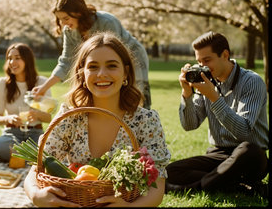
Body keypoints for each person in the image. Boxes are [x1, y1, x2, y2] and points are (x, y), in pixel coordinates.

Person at [24, 32, 171, 207]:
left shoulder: (146, 121)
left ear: (126, 73)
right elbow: (36, 168)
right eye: (93, 67)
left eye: (111, 66)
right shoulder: (70, 118)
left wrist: (130, 207)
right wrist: (35, 195)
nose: (102, 74)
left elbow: (157, 187)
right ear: (82, 74)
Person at [165, 31, 269, 195]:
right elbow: (190, 125)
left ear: (225, 55)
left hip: (249, 156)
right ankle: (237, 186)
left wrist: (214, 97)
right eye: (199, 61)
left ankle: (198, 187)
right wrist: (187, 94)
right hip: (219, 154)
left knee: (249, 149)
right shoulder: (205, 80)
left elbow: (243, 131)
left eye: (207, 60)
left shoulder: (252, 81)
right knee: (171, 171)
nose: (203, 66)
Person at [32, 0, 151, 109]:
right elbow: (66, 61)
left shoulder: (106, 22)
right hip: (103, 63)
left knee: (134, 95)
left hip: (132, 57)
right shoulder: (69, 31)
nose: (63, 23)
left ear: (78, 13)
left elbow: (116, 53)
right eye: (60, 20)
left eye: (66, 18)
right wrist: (44, 88)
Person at [0, 43, 52, 162]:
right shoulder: (2, 84)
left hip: (35, 132)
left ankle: (20, 157)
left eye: (17, 58)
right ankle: (32, 157)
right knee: (0, 145)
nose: (12, 62)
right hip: (12, 134)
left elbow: (48, 118)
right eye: (9, 58)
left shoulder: (42, 83)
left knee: (47, 147)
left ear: (27, 60)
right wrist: (8, 119)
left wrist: (37, 115)